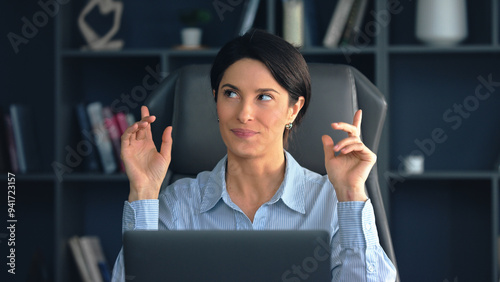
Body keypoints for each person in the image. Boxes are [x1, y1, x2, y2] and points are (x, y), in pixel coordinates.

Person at [111, 29, 397, 281]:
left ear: (293, 109)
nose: (244, 114)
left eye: (264, 97)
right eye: (231, 94)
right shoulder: (178, 205)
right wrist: (144, 191)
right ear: (216, 100)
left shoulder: (331, 204)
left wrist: (350, 194)